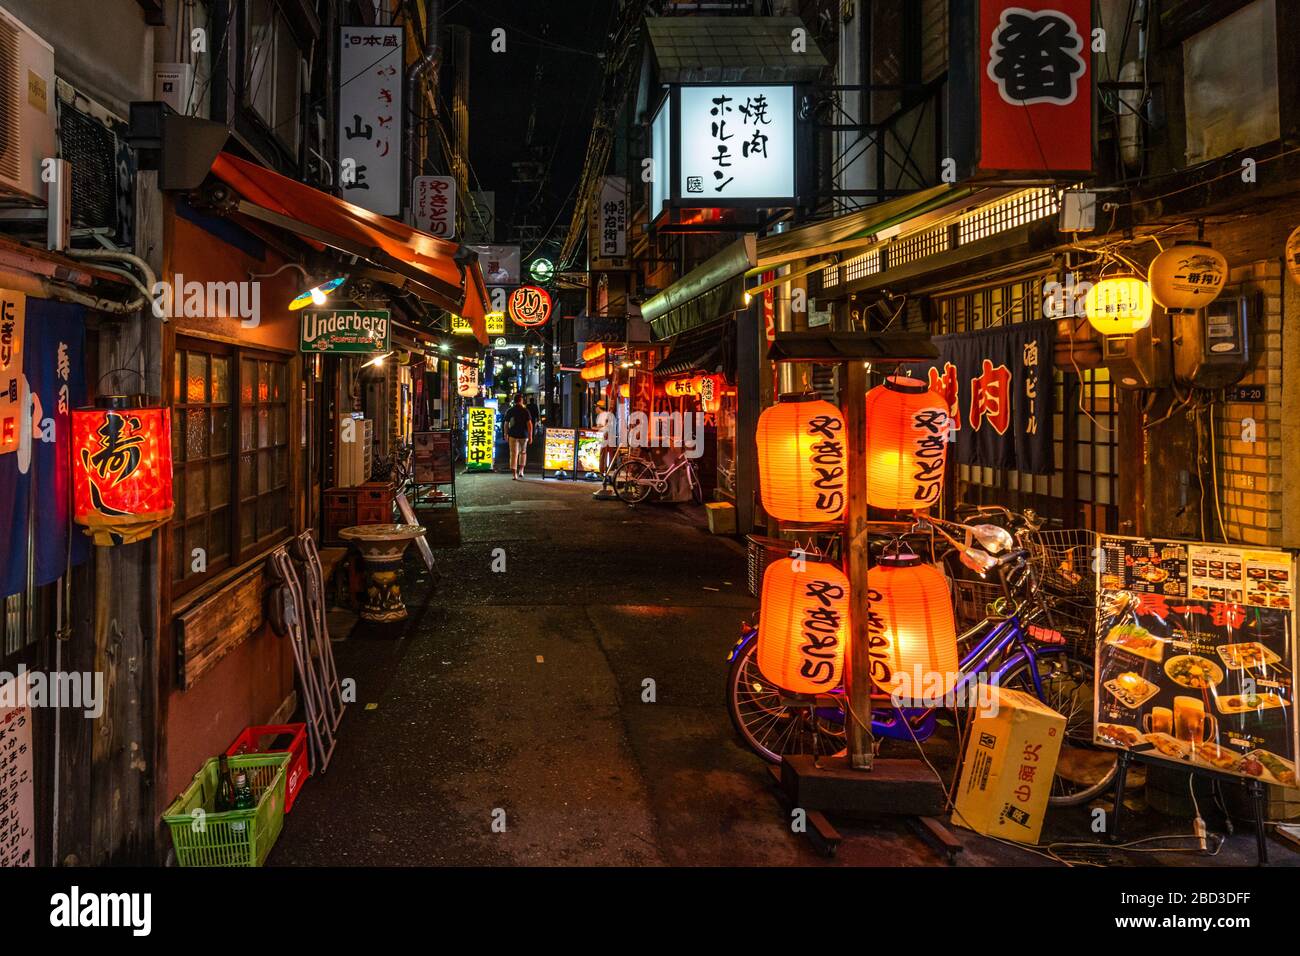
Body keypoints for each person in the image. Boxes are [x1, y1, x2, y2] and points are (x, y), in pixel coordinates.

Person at [503, 393, 533, 479]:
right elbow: (529, 424)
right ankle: (521, 470)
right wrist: (530, 436)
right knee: (523, 452)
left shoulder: (510, 410)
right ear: (521, 400)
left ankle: (514, 474)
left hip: (513, 435)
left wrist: (505, 434)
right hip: (524, 435)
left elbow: (506, 423)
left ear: (514, 400)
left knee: (513, 453)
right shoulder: (525, 410)